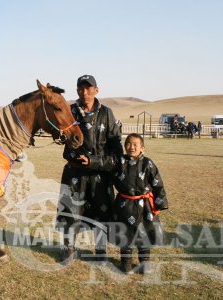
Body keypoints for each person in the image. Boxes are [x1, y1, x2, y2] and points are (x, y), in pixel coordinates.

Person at [56, 75, 123, 263]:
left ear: (96, 90)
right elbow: (65, 144)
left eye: (88, 88)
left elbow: (116, 151)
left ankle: (101, 251)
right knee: (70, 212)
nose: (84, 93)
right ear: (77, 90)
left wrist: (94, 161)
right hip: (74, 171)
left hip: (100, 173)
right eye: (81, 89)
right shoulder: (70, 111)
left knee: (102, 212)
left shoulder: (107, 114)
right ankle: (68, 249)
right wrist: (76, 157)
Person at [111, 133, 168, 274]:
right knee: (125, 235)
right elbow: (105, 167)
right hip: (124, 205)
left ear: (142, 148)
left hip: (145, 207)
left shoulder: (148, 163)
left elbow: (157, 184)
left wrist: (160, 203)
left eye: (135, 144)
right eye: (128, 144)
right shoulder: (119, 162)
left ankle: (144, 263)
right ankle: (126, 263)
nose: (132, 147)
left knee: (144, 236)